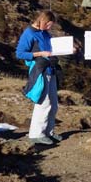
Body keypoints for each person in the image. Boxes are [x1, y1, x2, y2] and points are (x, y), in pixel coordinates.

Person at [16, 10, 62, 145]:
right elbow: (20, 53)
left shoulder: (45, 33)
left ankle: (49, 132)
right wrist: (40, 53)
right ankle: (36, 134)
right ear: (41, 20)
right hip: (40, 71)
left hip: (50, 69)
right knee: (44, 102)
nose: (49, 28)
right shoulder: (29, 33)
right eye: (48, 25)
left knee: (53, 104)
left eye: (50, 26)